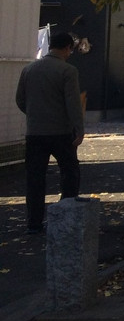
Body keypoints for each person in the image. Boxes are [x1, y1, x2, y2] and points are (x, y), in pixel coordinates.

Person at [15, 31, 84, 235]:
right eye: (70, 50)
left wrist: (35, 115)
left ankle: (34, 223)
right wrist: (79, 129)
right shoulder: (68, 71)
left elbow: (20, 99)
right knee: (70, 172)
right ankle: (66, 214)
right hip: (61, 132)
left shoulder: (29, 69)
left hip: (35, 132)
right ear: (67, 48)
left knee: (35, 178)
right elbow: (73, 103)